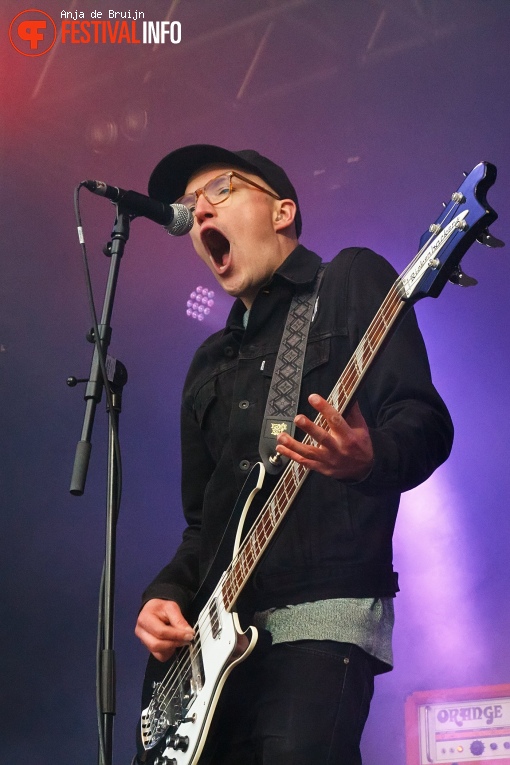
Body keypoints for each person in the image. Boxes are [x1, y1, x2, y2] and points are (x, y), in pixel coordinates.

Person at [135, 144, 454, 764]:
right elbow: (203, 526)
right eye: (187, 204)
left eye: (220, 190)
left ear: (281, 211)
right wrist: (165, 596)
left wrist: (367, 457)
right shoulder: (210, 363)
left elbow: (425, 421)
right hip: (210, 652)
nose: (197, 211)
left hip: (319, 614)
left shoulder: (350, 280)